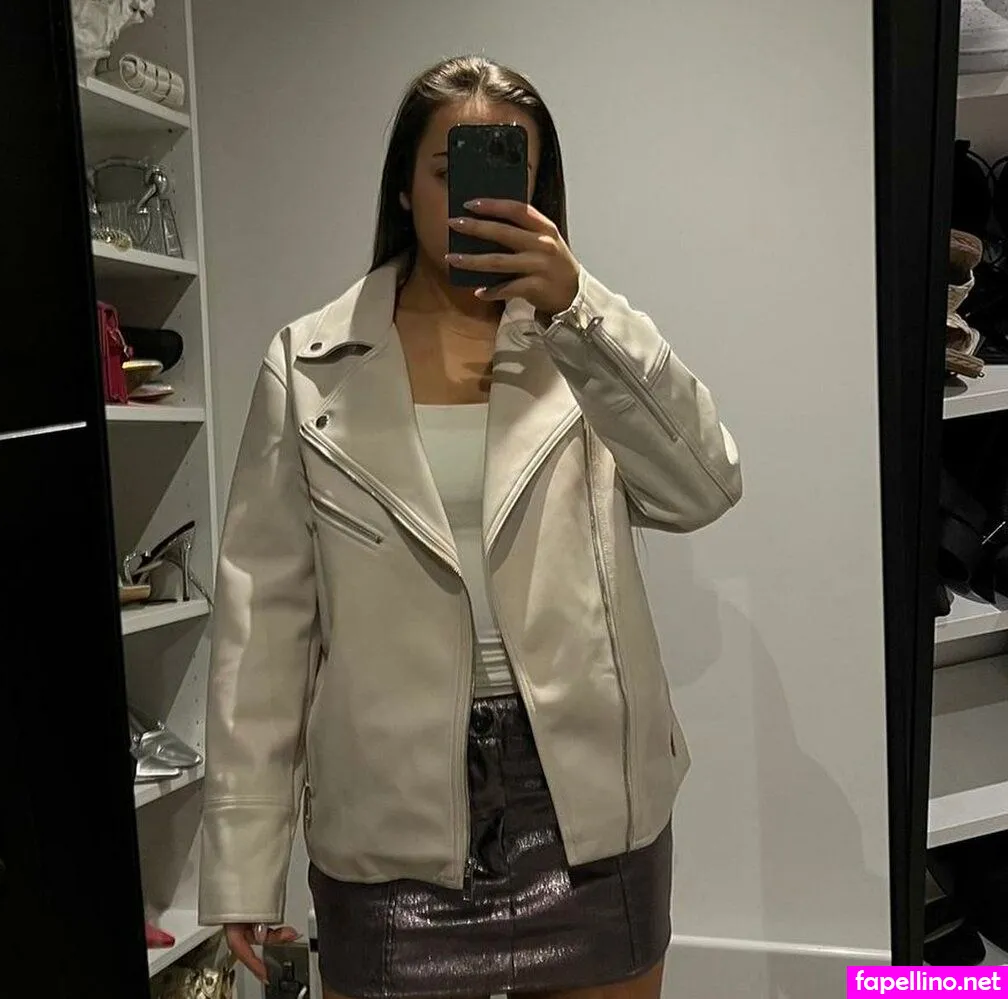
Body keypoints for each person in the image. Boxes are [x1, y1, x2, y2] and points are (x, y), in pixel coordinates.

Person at [197, 54, 742, 999]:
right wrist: (245, 855)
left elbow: (703, 487)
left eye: (504, 172)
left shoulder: (580, 343)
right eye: (449, 171)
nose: (474, 197)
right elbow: (264, 626)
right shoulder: (312, 362)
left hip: (586, 800)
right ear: (404, 188)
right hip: (391, 808)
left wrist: (579, 309)